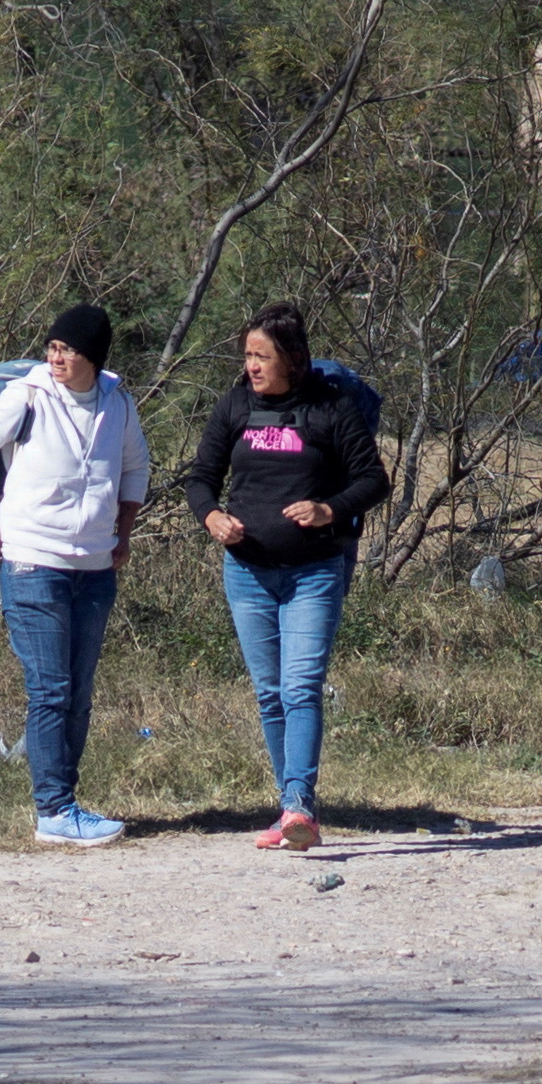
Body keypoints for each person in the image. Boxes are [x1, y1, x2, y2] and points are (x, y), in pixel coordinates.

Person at [170, 303, 390, 854]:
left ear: (292, 358)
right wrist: (211, 516)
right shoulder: (235, 407)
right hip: (247, 573)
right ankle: (289, 806)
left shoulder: (331, 408)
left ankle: (299, 805)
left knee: (299, 688)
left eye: (261, 356)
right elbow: (200, 479)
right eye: (246, 355)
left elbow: (373, 481)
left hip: (314, 572)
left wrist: (329, 510)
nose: (251, 366)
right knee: (270, 694)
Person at [0, 303, 151, 848]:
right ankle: (54, 810)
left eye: (68, 350)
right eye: (53, 347)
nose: (56, 357)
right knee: (50, 688)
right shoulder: (30, 395)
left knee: (79, 691)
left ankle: (67, 802)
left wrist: (124, 531)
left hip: (93, 566)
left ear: (93, 356)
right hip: (33, 560)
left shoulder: (118, 403)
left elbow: (135, 466)